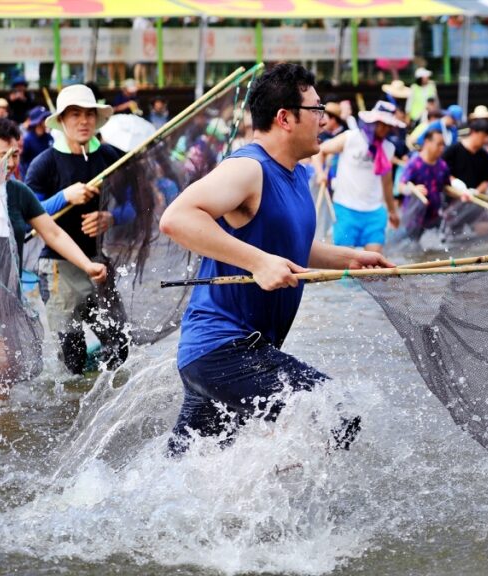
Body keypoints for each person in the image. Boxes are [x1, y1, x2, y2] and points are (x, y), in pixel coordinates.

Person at [159, 63, 392, 455]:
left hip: (231, 351)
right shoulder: (248, 168)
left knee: (183, 472)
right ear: (285, 117)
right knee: (335, 412)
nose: (325, 119)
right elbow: (176, 218)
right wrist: (257, 262)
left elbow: (291, 245)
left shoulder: (297, 174)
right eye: (317, 110)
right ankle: (294, 514)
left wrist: (349, 258)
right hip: (223, 348)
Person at [0, 119, 107, 400]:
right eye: (3, 155)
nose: (11, 163)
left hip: (4, 299)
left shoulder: (18, 193)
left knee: (4, 372)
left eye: (16, 155)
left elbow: (53, 233)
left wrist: (87, 264)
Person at [25, 84, 130, 375]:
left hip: (99, 262)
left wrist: (112, 217)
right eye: (75, 114)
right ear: (61, 121)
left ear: (97, 119)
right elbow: (27, 213)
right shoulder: (44, 163)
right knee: (71, 355)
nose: (83, 121)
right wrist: (64, 197)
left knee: (119, 345)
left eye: (88, 114)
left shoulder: (110, 157)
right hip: (59, 268)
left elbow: (136, 207)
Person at [320, 101, 402, 253]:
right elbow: (320, 151)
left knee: (373, 269)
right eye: (381, 124)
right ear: (372, 122)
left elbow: (387, 183)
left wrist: (392, 211)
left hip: (374, 212)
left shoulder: (388, 148)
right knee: (344, 265)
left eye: (387, 125)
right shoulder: (351, 138)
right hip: (345, 208)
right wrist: (320, 174)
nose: (384, 129)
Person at [442, 116, 488, 238]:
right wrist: (456, 184)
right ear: (473, 132)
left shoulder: (484, 155)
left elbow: (486, 180)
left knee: (485, 230)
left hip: (474, 199)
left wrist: (475, 192)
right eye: (483, 136)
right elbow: (443, 173)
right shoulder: (453, 151)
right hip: (454, 200)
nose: (486, 140)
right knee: (454, 236)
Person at [399, 128, 449, 241]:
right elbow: (401, 187)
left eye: (443, 145)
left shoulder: (442, 166)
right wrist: (414, 189)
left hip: (435, 217)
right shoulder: (414, 163)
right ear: (427, 142)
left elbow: (447, 188)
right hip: (415, 218)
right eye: (439, 144)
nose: (442, 148)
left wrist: (463, 194)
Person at [20, 106, 52, 180]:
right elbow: (22, 162)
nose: (47, 120)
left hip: (47, 177)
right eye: (44, 118)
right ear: (39, 121)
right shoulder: (27, 139)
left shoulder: (49, 138)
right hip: (32, 177)